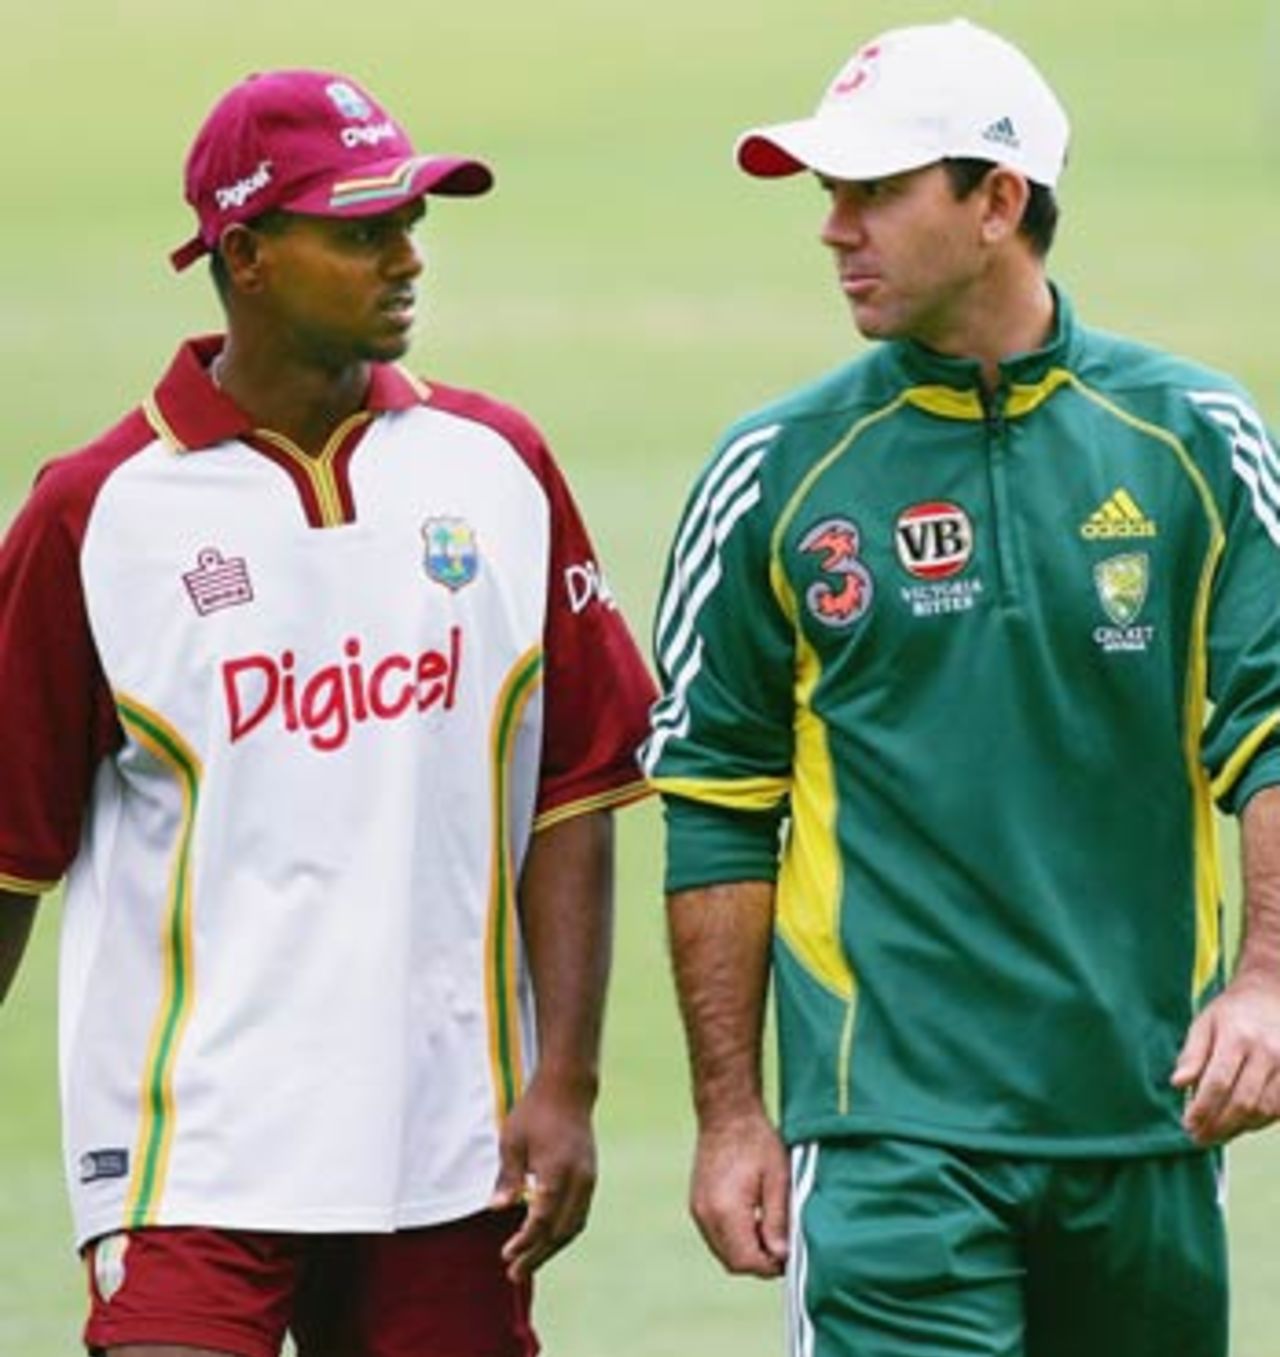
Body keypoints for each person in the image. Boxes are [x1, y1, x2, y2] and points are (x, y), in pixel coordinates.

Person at [643, 18, 1280, 1357]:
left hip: (1147, 1119)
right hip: (888, 1135)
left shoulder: (1196, 443)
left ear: (998, 201)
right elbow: (716, 804)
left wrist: (1268, 980)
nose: (835, 228)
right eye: (830, 192)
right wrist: (732, 1114)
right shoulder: (774, 473)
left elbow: (1272, 733)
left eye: (875, 190)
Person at [0, 68, 656, 1357]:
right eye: (362, 232)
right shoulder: (96, 511)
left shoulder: (498, 466)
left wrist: (567, 1081)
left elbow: (575, 788)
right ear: (245, 254)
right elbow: (8, 850)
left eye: (410, 222)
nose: (406, 258)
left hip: (451, 1147)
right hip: (188, 1155)